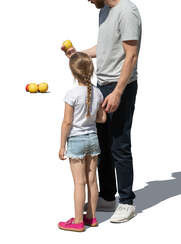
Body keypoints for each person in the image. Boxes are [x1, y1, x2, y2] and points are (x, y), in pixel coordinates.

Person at [65, 0, 142, 223]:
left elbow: (131, 56)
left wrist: (119, 92)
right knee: (103, 146)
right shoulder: (105, 11)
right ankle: (108, 197)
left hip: (120, 86)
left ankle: (127, 201)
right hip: (101, 85)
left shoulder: (127, 12)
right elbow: (106, 45)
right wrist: (80, 54)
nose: (88, 1)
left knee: (120, 144)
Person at [58, 52, 107, 232]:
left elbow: (67, 122)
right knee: (92, 181)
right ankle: (91, 218)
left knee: (79, 183)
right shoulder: (98, 92)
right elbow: (102, 119)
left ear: (73, 73)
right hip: (93, 140)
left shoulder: (71, 94)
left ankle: (78, 221)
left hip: (77, 141)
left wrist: (62, 145)